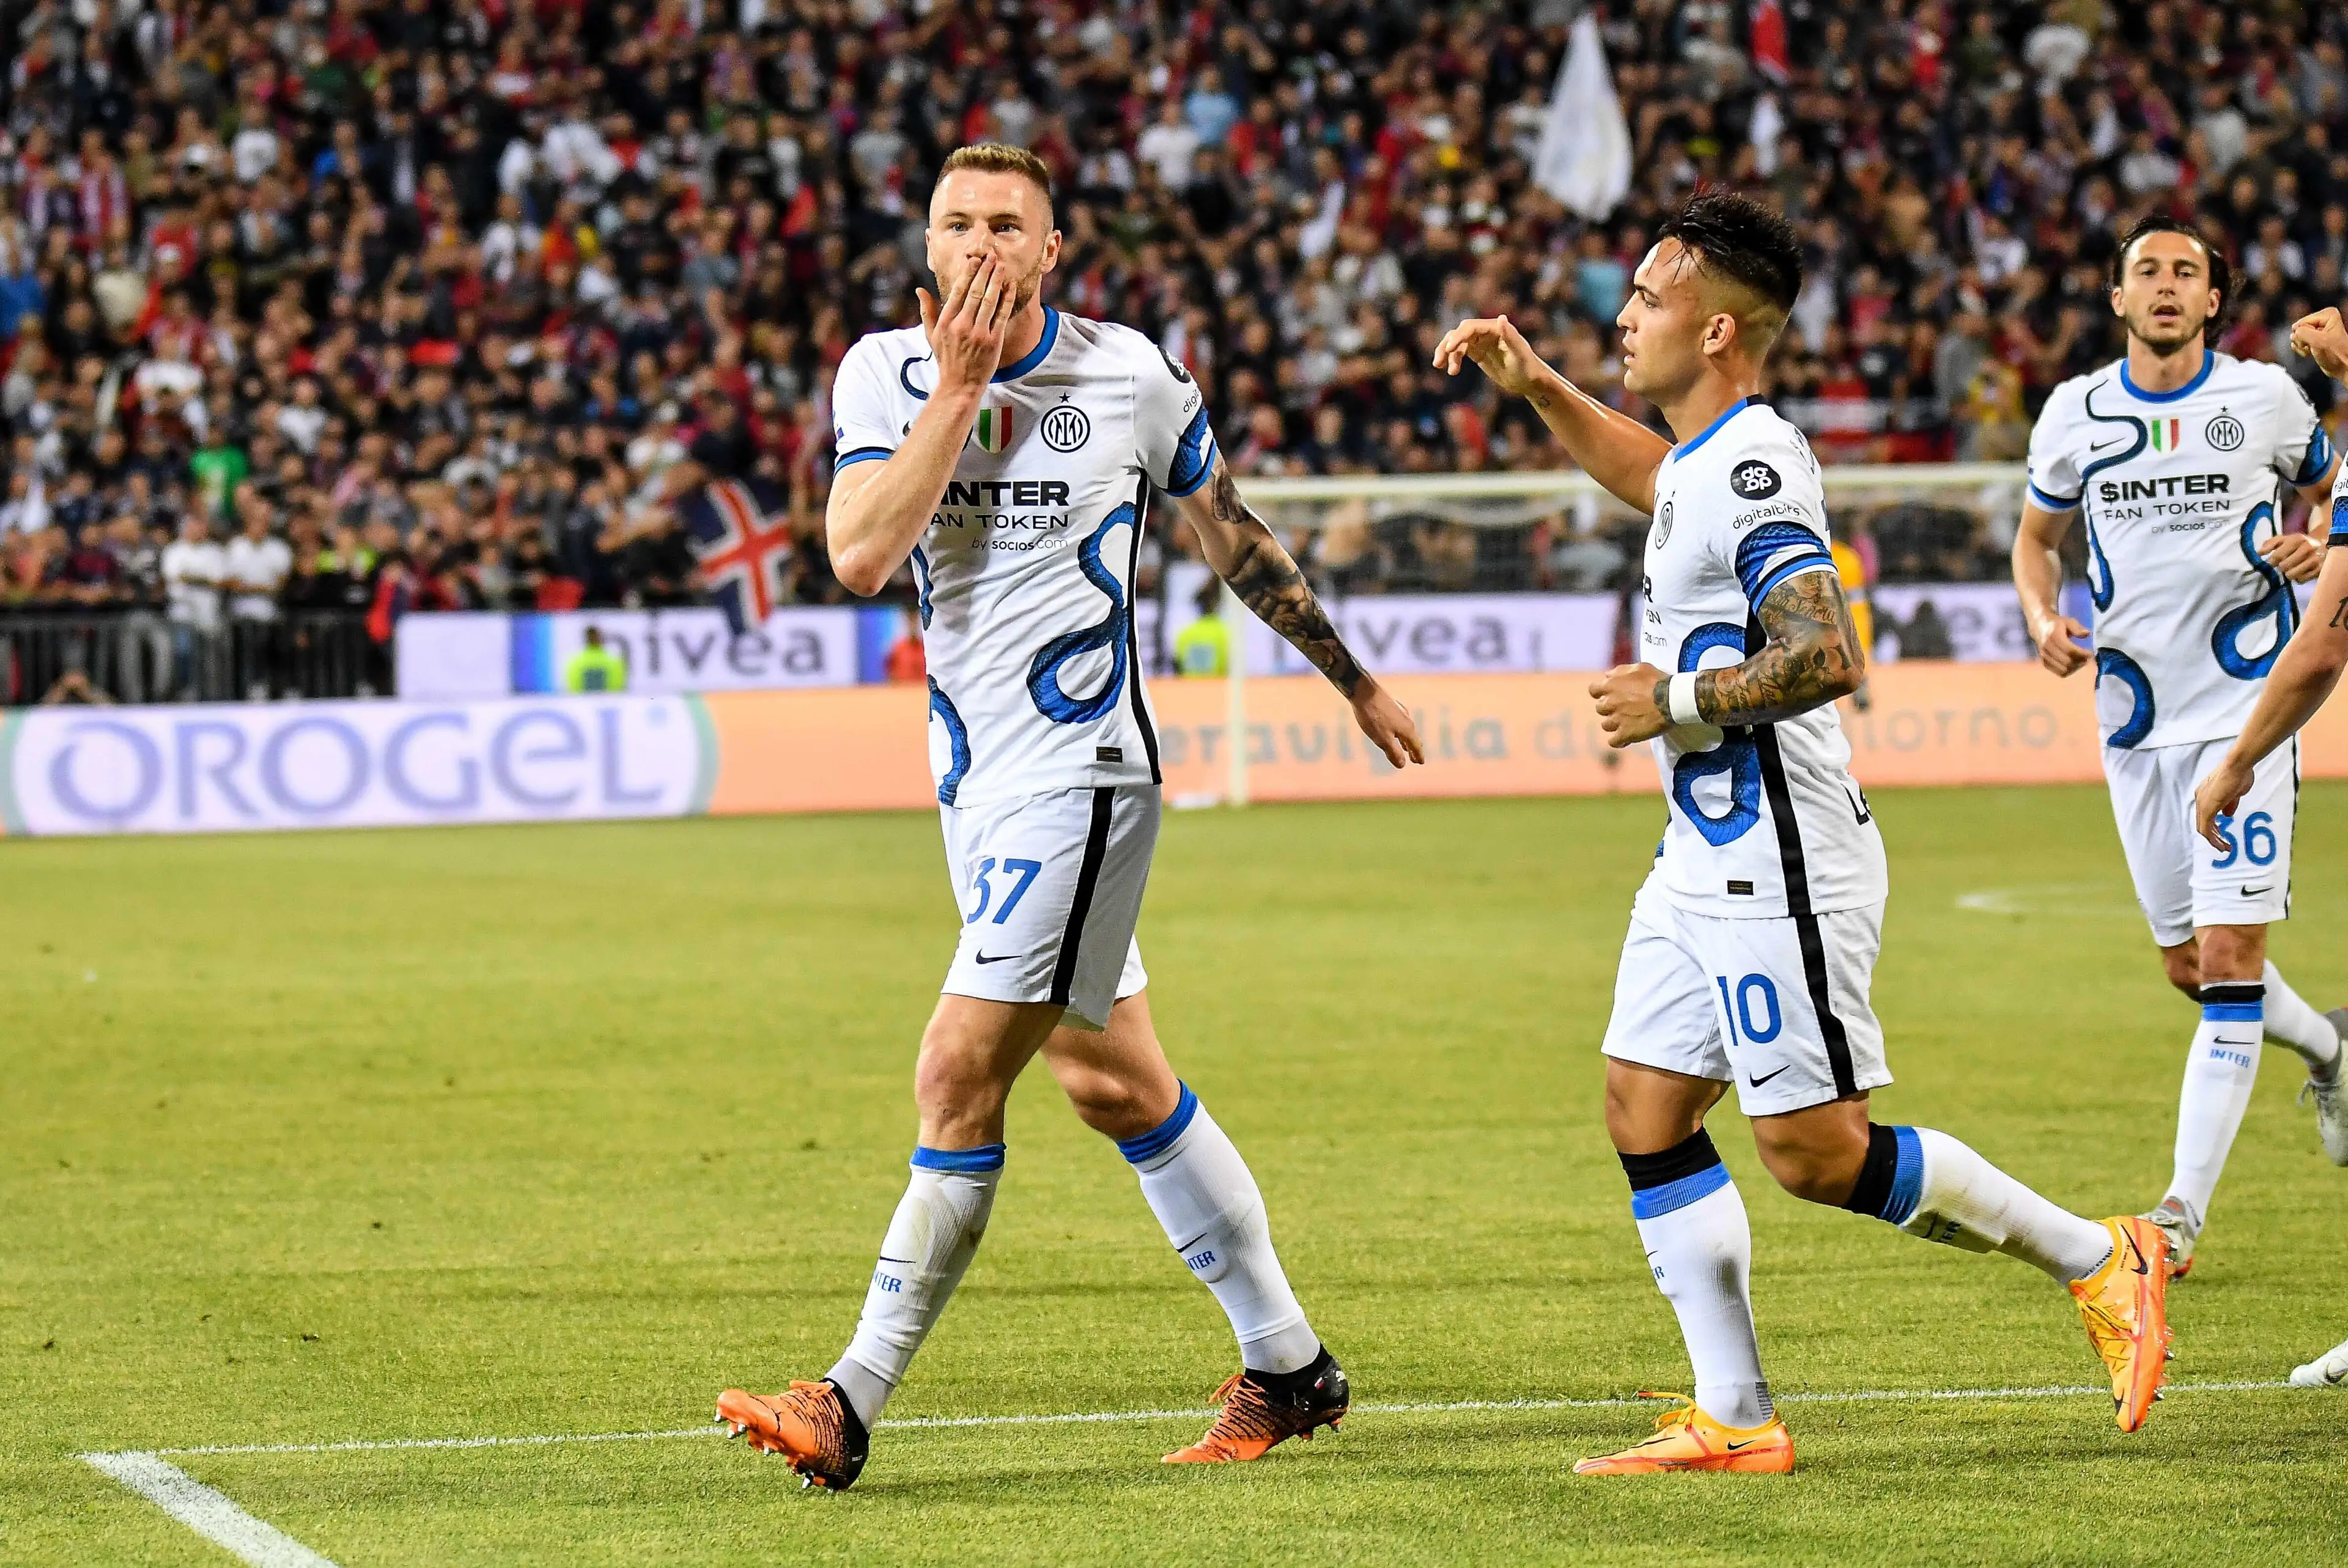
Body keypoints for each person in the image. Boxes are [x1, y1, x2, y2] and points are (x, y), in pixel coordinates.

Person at [714, 144, 1423, 1490]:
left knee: (953, 1073)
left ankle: (849, 1398)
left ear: (1052, 250)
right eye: (957, 223)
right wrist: (960, 390)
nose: (980, 245)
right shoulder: (882, 372)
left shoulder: (1130, 374)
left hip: (1086, 772)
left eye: (1008, 225)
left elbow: (1234, 535)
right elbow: (859, 553)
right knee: (1113, 1081)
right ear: (928, 247)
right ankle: (1290, 1364)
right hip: (975, 787)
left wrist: (1353, 678)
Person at [1435, 191, 2173, 1476]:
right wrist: (1539, 383)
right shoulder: (1701, 459)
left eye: (1650, 297)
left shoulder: (1759, 464)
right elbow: (1652, 481)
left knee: (1815, 1153)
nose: (1626, 316)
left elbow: (1828, 654)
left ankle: (2101, 1256)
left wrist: (1670, 698)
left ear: (1719, 330)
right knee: (1644, 1105)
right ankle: (1737, 1416)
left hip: (1780, 850)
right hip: (1701, 849)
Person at [2013, 220, 2346, 1279]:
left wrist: (2317, 540)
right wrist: (2041, 617)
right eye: (2146, 272)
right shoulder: (2076, 411)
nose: (2165, 286)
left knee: (2231, 961)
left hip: (2243, 711)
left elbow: (2331, 484)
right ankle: (2334, 1049)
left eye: (2186, 274)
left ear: (2213, 301)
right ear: (2117, 298)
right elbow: (2035, 541)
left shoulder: (2267, 398)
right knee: (2188, 966)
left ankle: (2177, 1218)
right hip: (2131, 717)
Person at [1172, 576, 1230, 675]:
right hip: (1216, 683)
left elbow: (1178, 666)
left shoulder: (1185, 634)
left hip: (1188, 683)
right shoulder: (1223, 632)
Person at [563, 625, 629, 692]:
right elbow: (618, 687)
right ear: (601, 638)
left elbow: (573, 688)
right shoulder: (614, 662)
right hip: (608, 698)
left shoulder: (575, 663)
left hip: (582, 698)